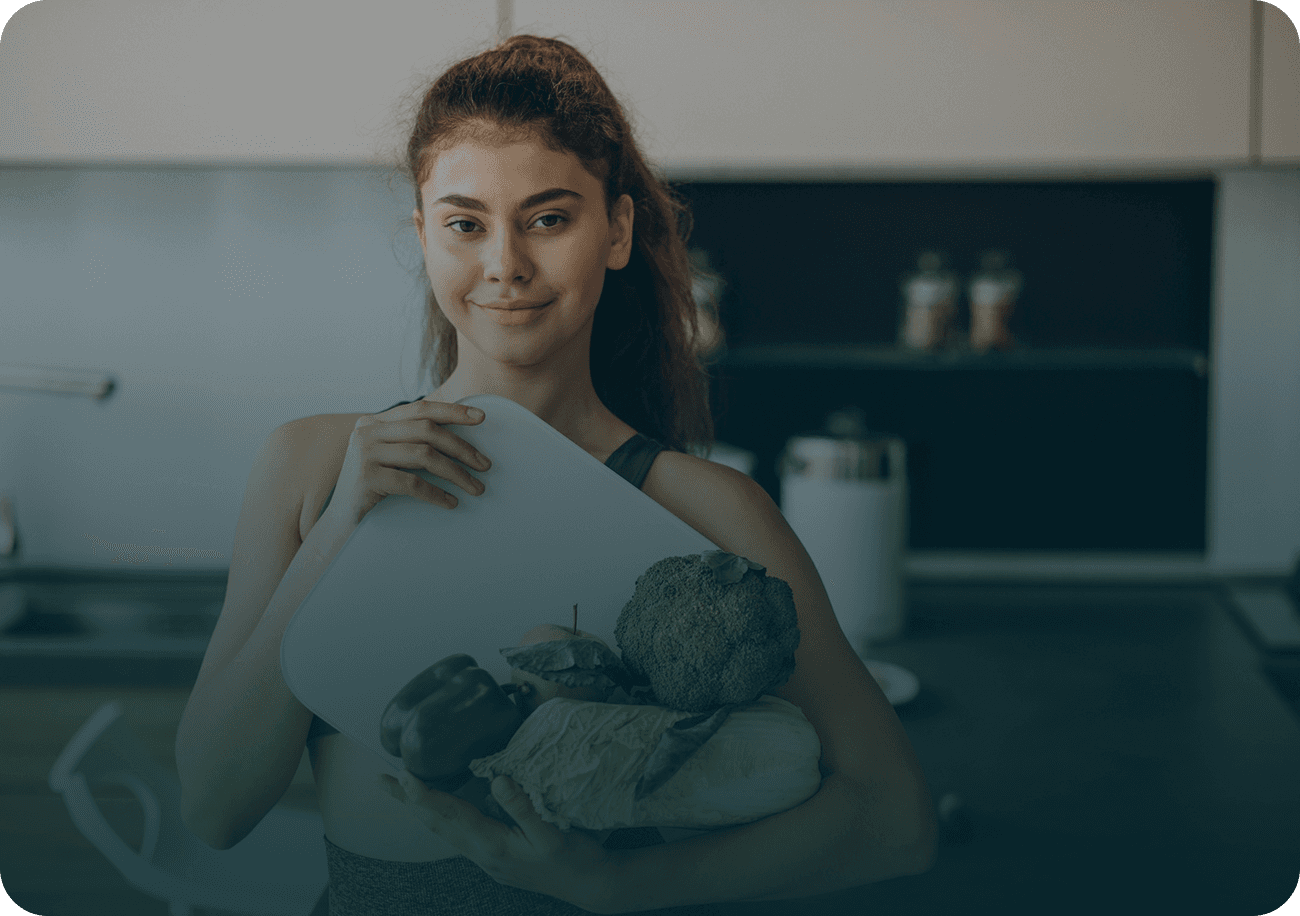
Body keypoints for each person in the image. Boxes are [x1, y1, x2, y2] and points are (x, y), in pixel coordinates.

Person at [174, 34, 936, 916]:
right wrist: (348, 519)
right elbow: (215, 807)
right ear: (422, 236)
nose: (505, 264)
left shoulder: (711, 511)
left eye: (548, 218)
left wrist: (619, 885)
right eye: (465, 223)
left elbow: (894, 820)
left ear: (615, 231)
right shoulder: (311, 468)